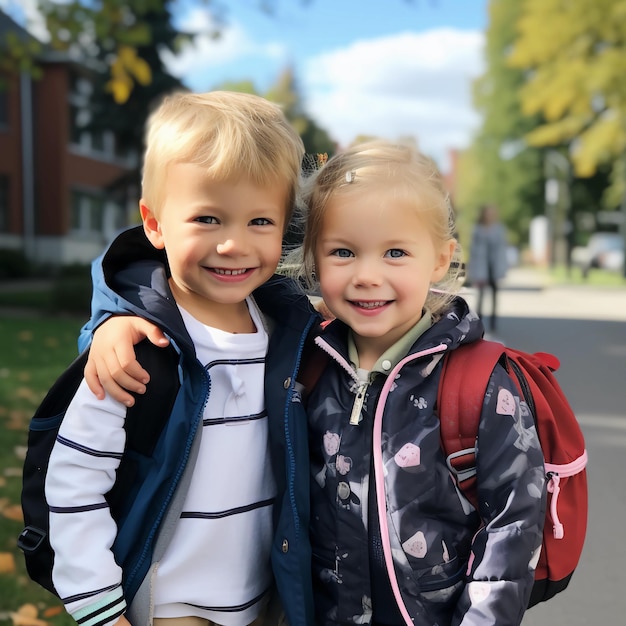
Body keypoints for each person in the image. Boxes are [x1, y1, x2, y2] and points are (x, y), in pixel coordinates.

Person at [82, 141, 546, 626]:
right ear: (312, 259)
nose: (368, 276)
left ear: (439, 259)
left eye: (395, 253)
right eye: (343, 252)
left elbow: (513, 524)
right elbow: (189, 285)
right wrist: (114, 318)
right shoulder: (301, 357)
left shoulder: (482, 383)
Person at [44, 90, 322, 626]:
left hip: (266, 602)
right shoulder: (136, 351)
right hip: (171, 605)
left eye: (259, 222)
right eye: (208, 219)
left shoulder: (290, 333)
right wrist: (101, 609)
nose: (234, 245)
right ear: (155, 224)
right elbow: (75, 481)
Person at [467, 204, 509, 332]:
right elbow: (473, 250)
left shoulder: (499, 229)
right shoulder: (477, 229)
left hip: (494, 267)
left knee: (494, 296)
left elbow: (502, 248)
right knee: (481, 296)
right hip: (482, 267)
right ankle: (478, 321)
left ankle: (493, 323)